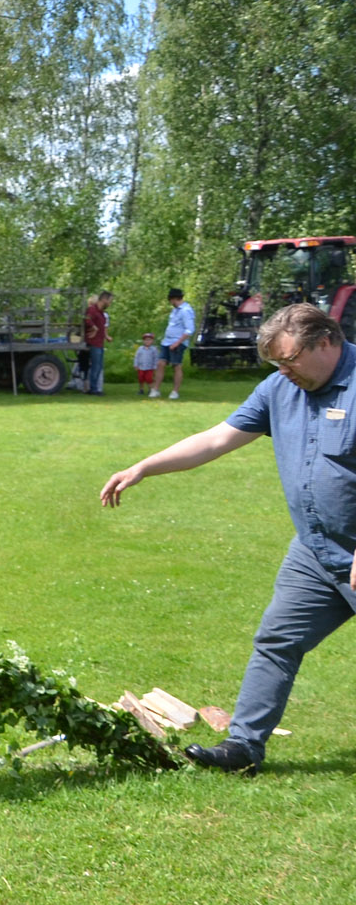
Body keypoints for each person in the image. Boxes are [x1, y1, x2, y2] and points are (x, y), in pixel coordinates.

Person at [100, 302, 356, 775]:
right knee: (277, 640)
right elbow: (216, 438)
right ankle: (243, 748)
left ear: (326, 341)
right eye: (277, 364)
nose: (284, 372)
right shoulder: (281, 388)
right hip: (317, 551)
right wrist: (143, 467)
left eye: (290, 359)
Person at [161, 287, 196, 399]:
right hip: (167, 341)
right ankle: (155, 389)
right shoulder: (175, 310)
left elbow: (190, 330)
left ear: (174, 299)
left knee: (176, 365)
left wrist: (177, 343)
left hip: (177, 342)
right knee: (160, 363)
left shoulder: (186, 311)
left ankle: (175, 391)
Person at [83, 290, 113, 395]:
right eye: (110, 301)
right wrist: (94, 328)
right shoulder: (92, 309)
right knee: (95, 366)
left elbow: (103, 328)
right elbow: (87, 320)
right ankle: (93, 389)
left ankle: (94, 387)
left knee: (99, 366)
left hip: (100, 343)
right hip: (93, 342)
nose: (110, 303)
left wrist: (106, 336)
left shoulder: (102, 314)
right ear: (104, 300)